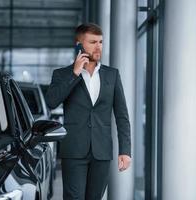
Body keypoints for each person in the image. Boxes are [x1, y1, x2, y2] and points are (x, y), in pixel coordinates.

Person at [45, 23, 131, 200]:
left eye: (100, 42)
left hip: (102, 152)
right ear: (79, 44)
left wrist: (125, 150)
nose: (98, 46)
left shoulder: (112, 75)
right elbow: (51, 102)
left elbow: (122, 115)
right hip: (74, 151)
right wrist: (75, 74)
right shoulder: (62, 74)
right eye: (92, 42)